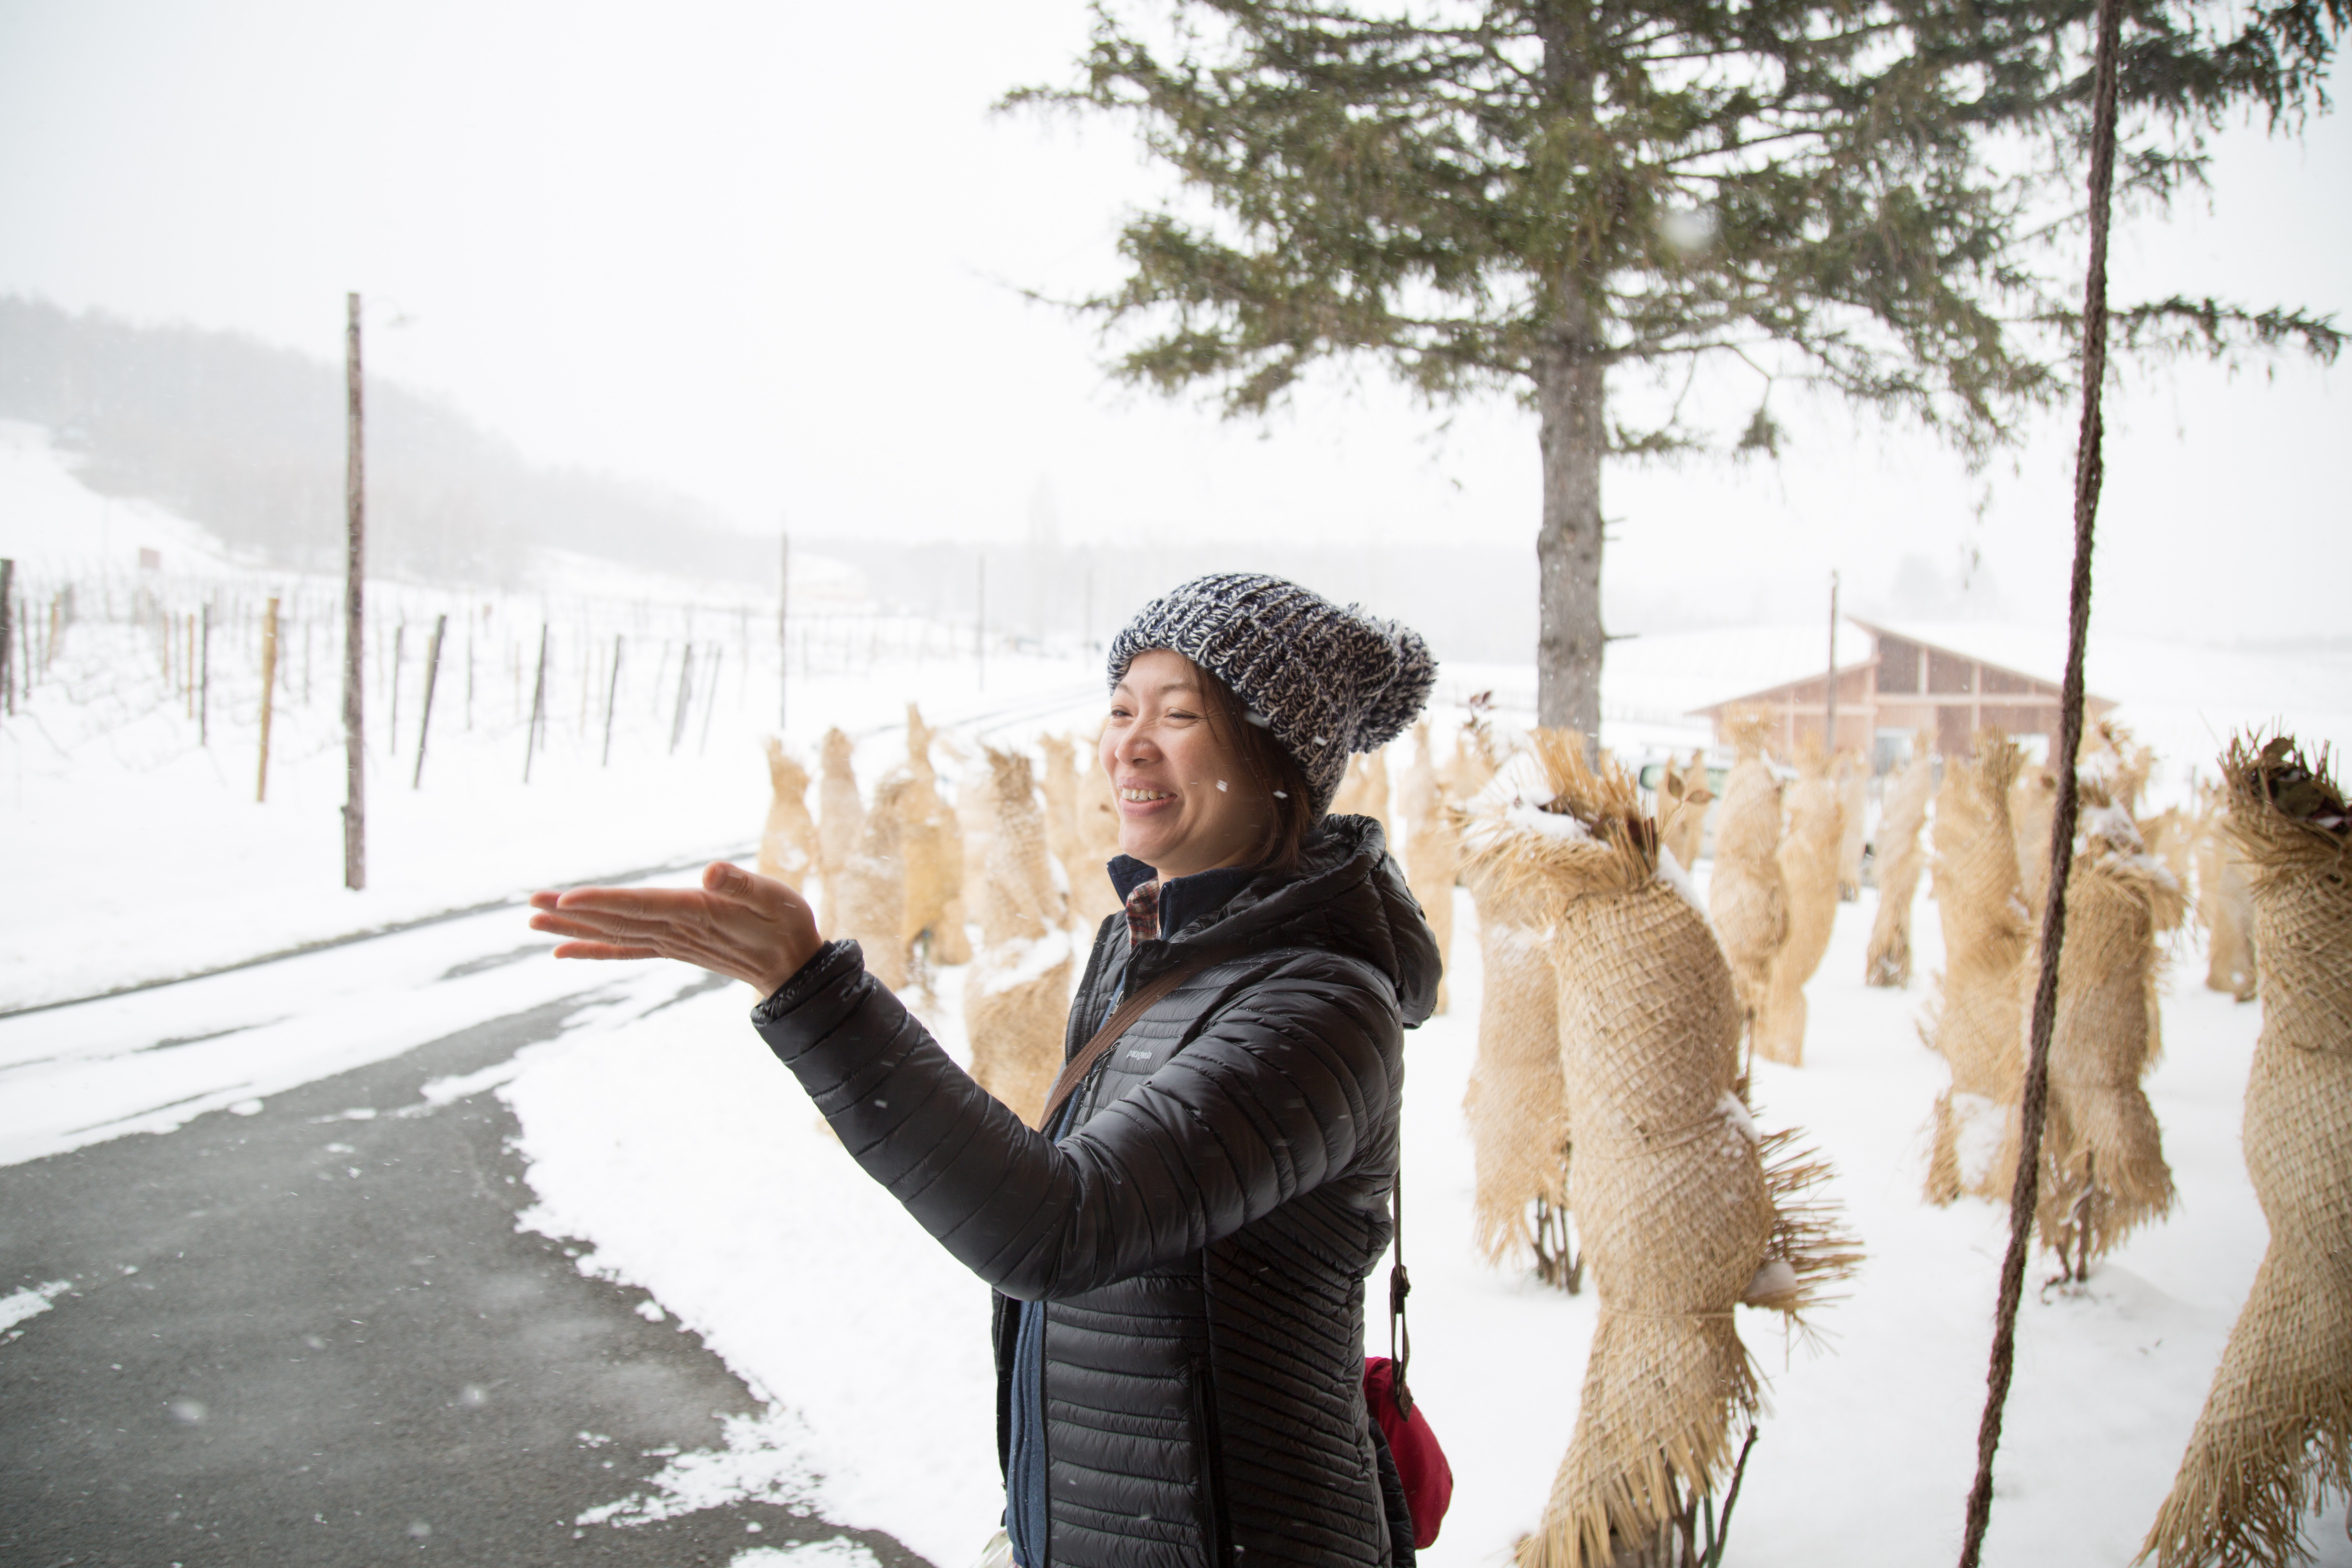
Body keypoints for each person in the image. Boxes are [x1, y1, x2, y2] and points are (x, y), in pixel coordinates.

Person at [530, 574, 1441, 1568]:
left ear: (1278, 762)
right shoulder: (1144, 951)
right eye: (1121, 707)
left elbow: (1061, 1226)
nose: (1129, 742)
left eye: (1180, 714)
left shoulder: (1320, 1010)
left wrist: (814, 994)